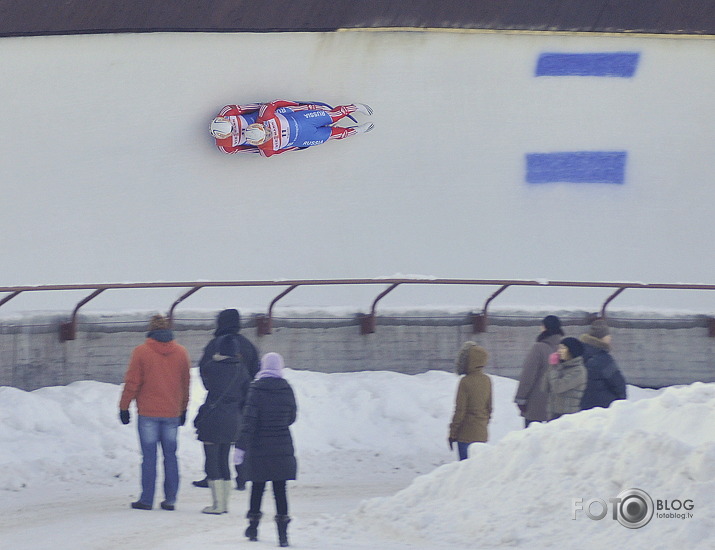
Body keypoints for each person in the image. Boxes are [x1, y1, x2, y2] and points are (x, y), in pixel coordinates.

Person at [118, 314, 191, 511]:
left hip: (148, 413)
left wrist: (124, 407)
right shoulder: (182, 353)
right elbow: (185, 384)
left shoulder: (141, 352)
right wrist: (183, 408)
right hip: (172, 413)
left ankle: (147, 499)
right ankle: (170, 499)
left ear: (150, 329)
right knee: (171, 456)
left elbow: (133, 382)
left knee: (149, 457)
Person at [193, 309, 260, 490]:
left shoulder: (215, 344)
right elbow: (255, 370)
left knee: (214, 442)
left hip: (218, 402)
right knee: (241, 439)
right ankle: (242, 476)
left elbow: (203, 370)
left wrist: (214, 388)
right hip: (243, 400)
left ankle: (212, 477)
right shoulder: (248, 345)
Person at [236, 352, 297, 548]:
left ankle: (253, 528)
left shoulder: (256, 389)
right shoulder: (286, 389)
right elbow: (291, 417)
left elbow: (248, 422)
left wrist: (240, 448)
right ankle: (283, 535)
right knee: (280, 490)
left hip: (259, 446)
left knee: (258, 487)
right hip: (282, 446)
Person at [194, 334, 253, 514]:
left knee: (212, 461)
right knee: (224, 460)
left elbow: (206, 381)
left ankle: (217, 504)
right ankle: (225, 504)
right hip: (233, 420)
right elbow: (247, 395)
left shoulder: (212, 367)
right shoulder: (242, 370)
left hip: (212, 419)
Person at [243, 99, 374, 157]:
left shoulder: (265, 116)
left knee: (334, 115)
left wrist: (298, 105)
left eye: (265, 131)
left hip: (304, 119)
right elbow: (284, 150)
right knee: (334, 135)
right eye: (265, 138)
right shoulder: (266, 150)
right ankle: (356, 131)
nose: (268, 134)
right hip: (307, 137)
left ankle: (355, 107)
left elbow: (276, 103)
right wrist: (301, 146)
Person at [514, 315, 564, 427]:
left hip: (536, 406)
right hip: (558, 406)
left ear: (545, 328)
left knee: (532, 440)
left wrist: (520, 398)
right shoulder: (564, 349)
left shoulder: (538, 348)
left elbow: (528, 376)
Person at [448, 341, 492, 460]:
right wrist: (482, 425)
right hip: (482, 434)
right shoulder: (487, 380)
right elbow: (489, 408)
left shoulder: (465, 382)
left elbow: (460, 411)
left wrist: (452, 433)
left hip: (466, 435)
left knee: (465, 470)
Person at [579, 318, 627, 410]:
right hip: (602, 407)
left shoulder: (578, 352)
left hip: (581, 407)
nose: (610, 337)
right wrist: (621, 403)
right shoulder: (603, 359)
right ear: (602, 337)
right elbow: (618, 383)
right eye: (608, 335)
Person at [543, 337, 587, 421]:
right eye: (559, 348)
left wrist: (554, 368)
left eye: (563, 348)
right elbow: (545, 386)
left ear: (572, 350)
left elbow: (558, 387)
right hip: (553, 414)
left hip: (567, 417)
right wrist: (552, 366)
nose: (559, 351)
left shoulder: (579, 371)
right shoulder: (561, 367)